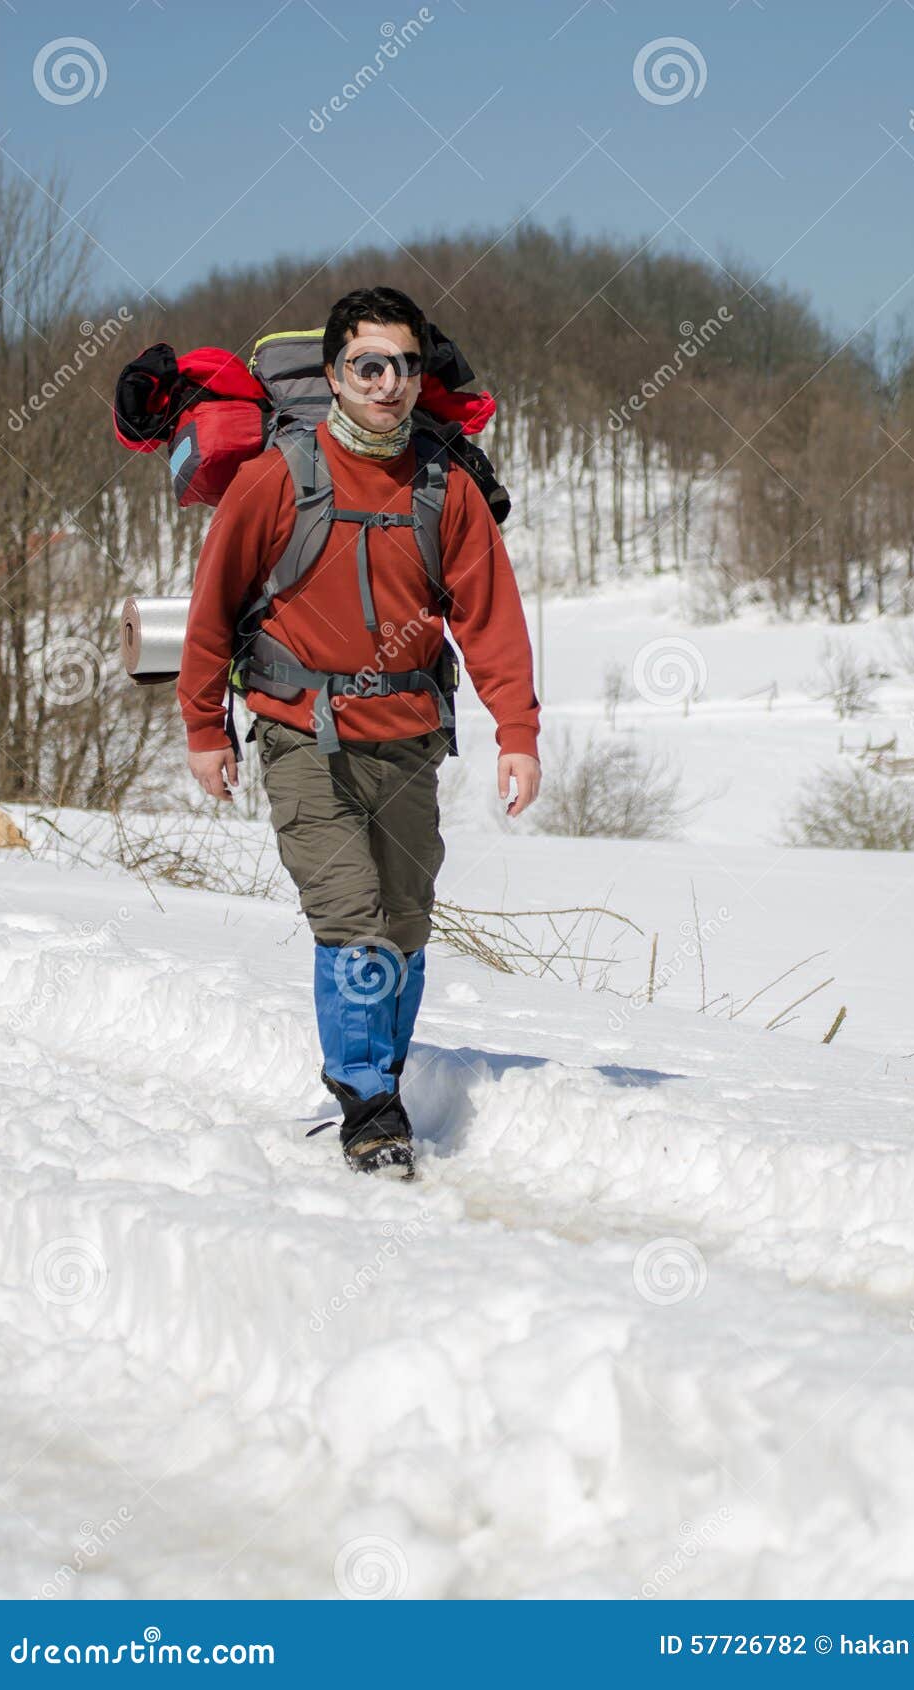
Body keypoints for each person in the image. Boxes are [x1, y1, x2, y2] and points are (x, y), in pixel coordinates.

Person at [178, 286, 541, 1179]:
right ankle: (369, 1105)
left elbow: (490, 619)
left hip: (410, 739)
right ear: (335, 375)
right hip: (302, 735)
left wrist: (518, 732)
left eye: (406, 367)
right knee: (351, 921)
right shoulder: (278, 478)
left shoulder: (443, 486)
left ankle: (380, 1072)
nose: (390, 384)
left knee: (407, 926)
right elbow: (213, 608)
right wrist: (203, 727)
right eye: (369, 366)